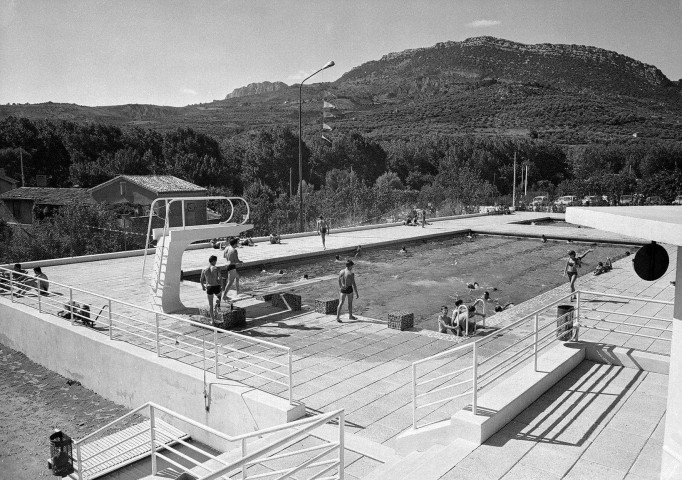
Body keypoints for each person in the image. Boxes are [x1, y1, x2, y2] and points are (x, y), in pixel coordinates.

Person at [200, 255, 223, 322]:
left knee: (210, 305)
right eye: (215, 261)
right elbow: (220, 278)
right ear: (214, 261)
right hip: (216, 286)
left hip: (209, 287)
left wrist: (203, 286)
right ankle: (217, 307)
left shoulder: (204, 269)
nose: (216, 262)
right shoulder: (217, 268)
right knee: (219, 296)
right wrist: (221, 286)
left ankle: (212, 320)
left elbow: (201, 279)